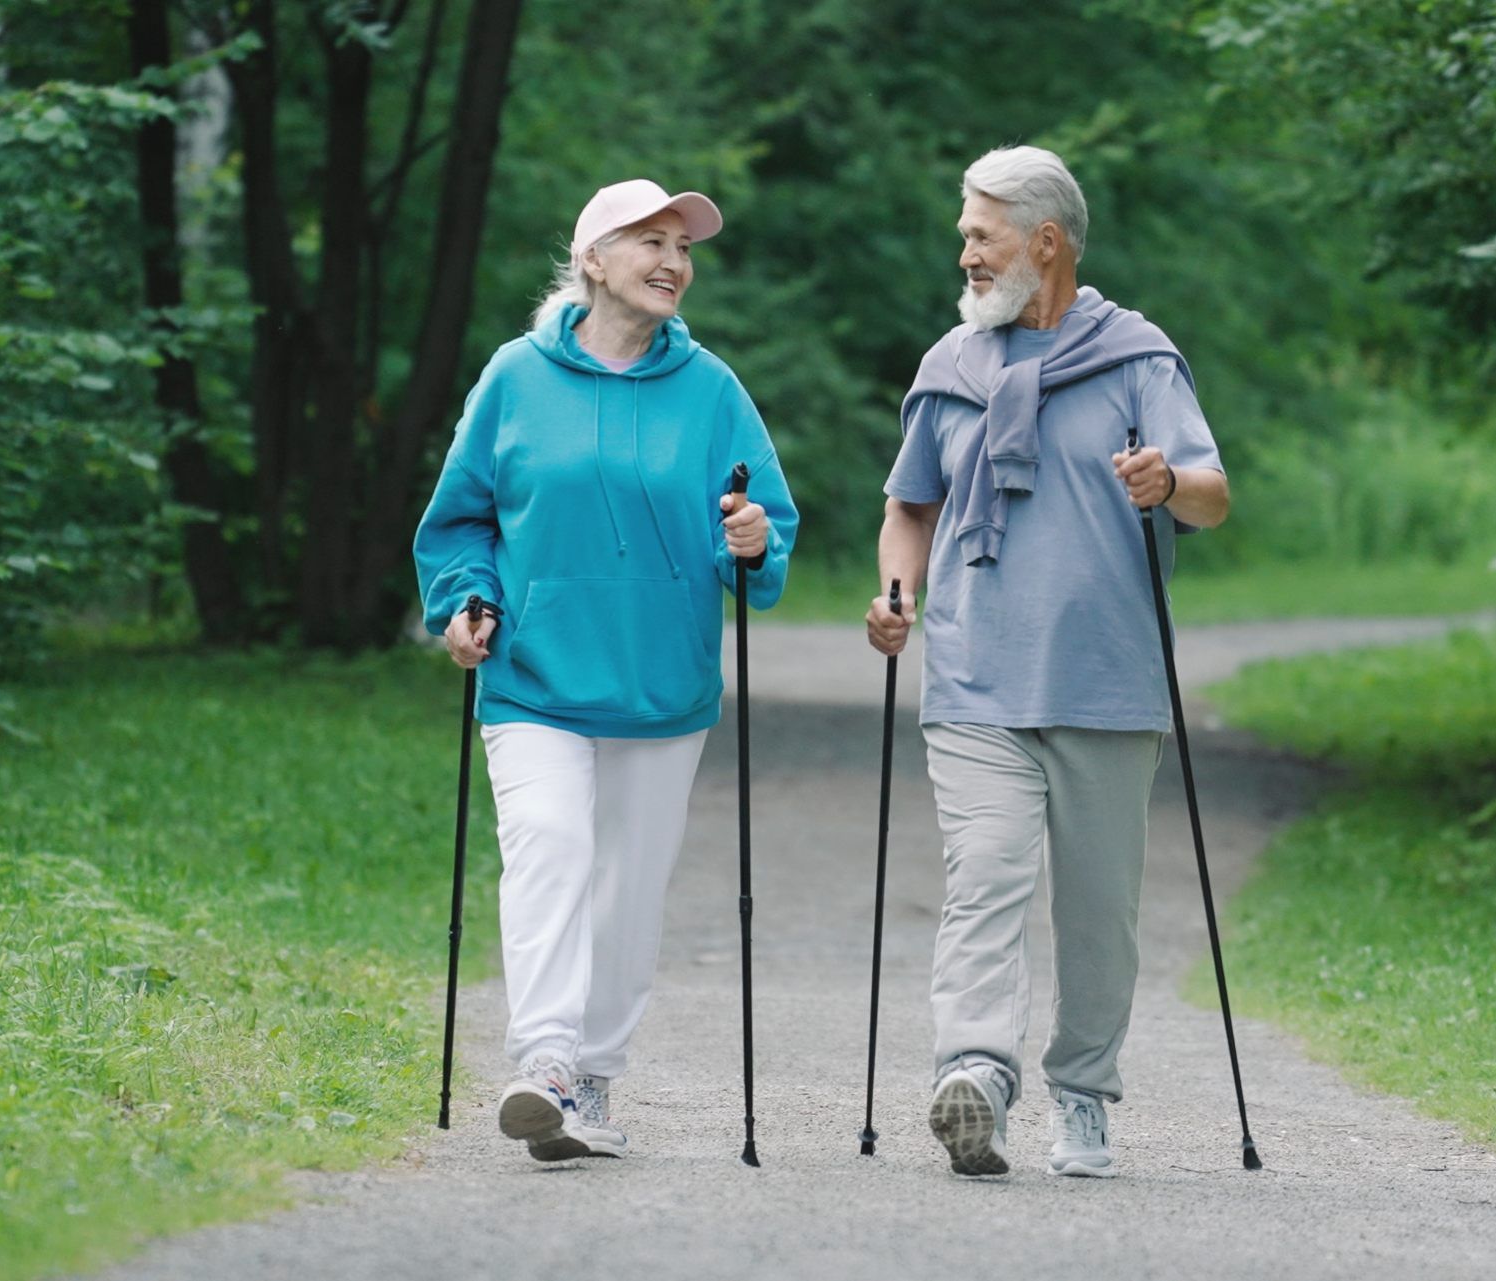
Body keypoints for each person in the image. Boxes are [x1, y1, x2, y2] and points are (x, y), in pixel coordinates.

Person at [414, 178, 798, 1162]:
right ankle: (542, 1064)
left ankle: (591, 1081)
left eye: (684, 245)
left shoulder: (711, 390)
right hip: (534, 673)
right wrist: (464, 601)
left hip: (661, 685)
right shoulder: (514, 376)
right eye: (649, 241)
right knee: (548, 844)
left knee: (627, 889)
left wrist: (751, 542)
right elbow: (462, 519)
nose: (674, 260)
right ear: (592, 260)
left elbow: (765, 535)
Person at [865, 146, 1230, 1179]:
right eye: (966, 237)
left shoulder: (1138, 362)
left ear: (1047, 242)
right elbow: (911, 506)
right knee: (982, 878)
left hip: (1106, 682)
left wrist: (1167, 483)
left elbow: (1212, 494)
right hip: (975, 677)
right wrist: (898, 594)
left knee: (1098, 913)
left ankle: (1083, 1093)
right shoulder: (951, 367)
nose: (967, 253)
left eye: (982, 235)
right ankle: (975, 1074)